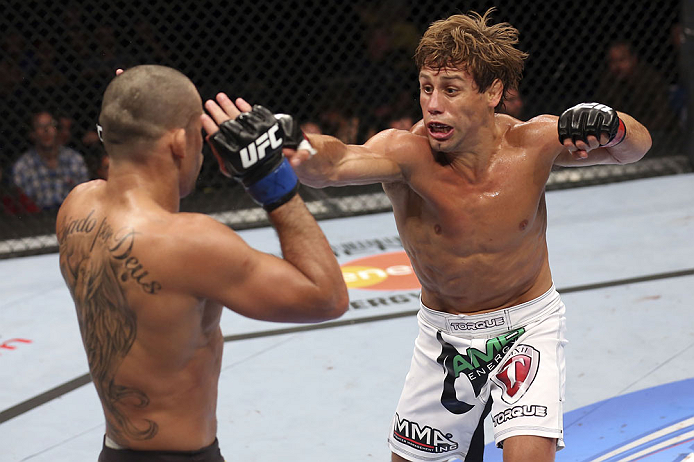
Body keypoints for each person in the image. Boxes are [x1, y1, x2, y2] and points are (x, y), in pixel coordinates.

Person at [282, 9, 652, 462]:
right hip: (445, 338)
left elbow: (634, 148)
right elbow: (335, 164)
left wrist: (612, 123)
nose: (433, 104)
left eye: (451, 89)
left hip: (527, 325)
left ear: (493, 92)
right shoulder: (406, 153)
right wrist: (296, 146)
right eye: (426, 87)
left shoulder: (531, 144)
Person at [56, 65, 348, 461]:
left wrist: (130, 99)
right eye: (197, 135)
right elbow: (327, 297)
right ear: (179, 142)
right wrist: (270, 179)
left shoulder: (77, 207)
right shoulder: (188, 243)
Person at [12, 110, 89, 210]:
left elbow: (85, 197)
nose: (46, 130)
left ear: (57, 129)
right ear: (32, 134)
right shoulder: (23, 165)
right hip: (34, 222)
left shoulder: (74, 159)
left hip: (70, 219)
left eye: (50, 125)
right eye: (40, 126)